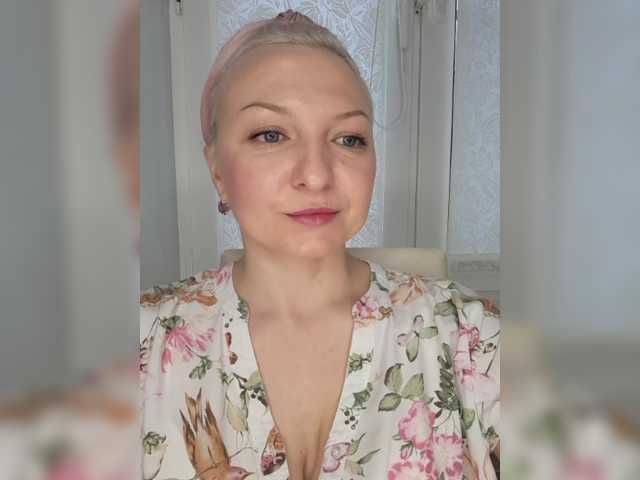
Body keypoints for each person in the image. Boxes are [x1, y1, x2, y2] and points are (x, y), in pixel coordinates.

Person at [140, 9, 500, 480]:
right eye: (271, 134)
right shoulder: (144, 342)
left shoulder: (473, 338)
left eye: (349, 139)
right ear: (217, 170)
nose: (316, 175)